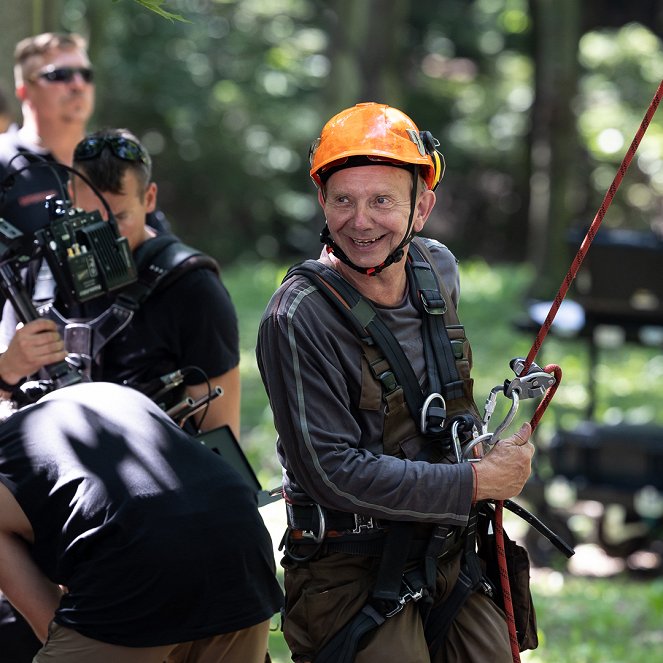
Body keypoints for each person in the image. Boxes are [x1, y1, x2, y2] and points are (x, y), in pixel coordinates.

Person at [256, 102, 536, 663]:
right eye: (344, 200)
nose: (361, 222)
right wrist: (476, 483)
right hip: (349, 566)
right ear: (323, 203)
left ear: (422, 206)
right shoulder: (298, 317)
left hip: (448, 547)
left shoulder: (438, 273)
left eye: (382, 200)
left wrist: (485, 450)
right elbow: (334, 473)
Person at [0, 380, 283, 662]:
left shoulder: (10, 457)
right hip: (241, 539)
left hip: (139, 555)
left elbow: (49, 623)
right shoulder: (104, 394)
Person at [0, 127, 241, 437]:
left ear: (149, 198)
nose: (106, 238)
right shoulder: (36, 276)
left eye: (119, 218)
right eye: (92, 221)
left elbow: (221, 437)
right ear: (70, 194)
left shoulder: (193, 289)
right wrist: (8, 369)